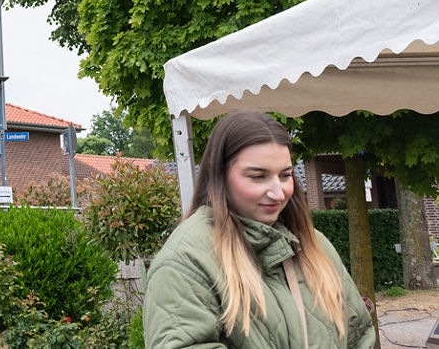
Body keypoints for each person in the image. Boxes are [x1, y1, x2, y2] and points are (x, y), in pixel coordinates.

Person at [143, 111, 375, 349]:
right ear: (220, 176)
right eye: (258, 176)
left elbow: (360, 332)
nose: (279, 192)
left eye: (285, 175)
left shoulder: (314, 244)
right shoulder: (186, 261)